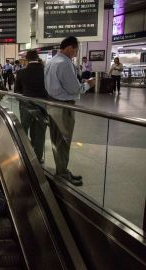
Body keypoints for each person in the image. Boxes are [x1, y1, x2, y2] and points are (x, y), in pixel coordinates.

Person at [44, 36, 95, 186]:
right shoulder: (65, 63)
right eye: (76, 50)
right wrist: (88, 85)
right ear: (69, 48)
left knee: (56, 140)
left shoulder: (51, 62)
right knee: (64, 141)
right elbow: (75, 89)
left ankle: (62, 170)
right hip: (64, 106)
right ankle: (62, 173)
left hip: (51, 104)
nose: (76, 54)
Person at [14, 50, 49, 163]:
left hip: (25, 105)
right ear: (38, 57)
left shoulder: (21, 72)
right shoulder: (46, 71)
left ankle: (25, 156)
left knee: (24, 131)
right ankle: (37, 159)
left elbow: (16, 91)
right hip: (42, 106)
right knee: (39, 133)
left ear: (27, 59)